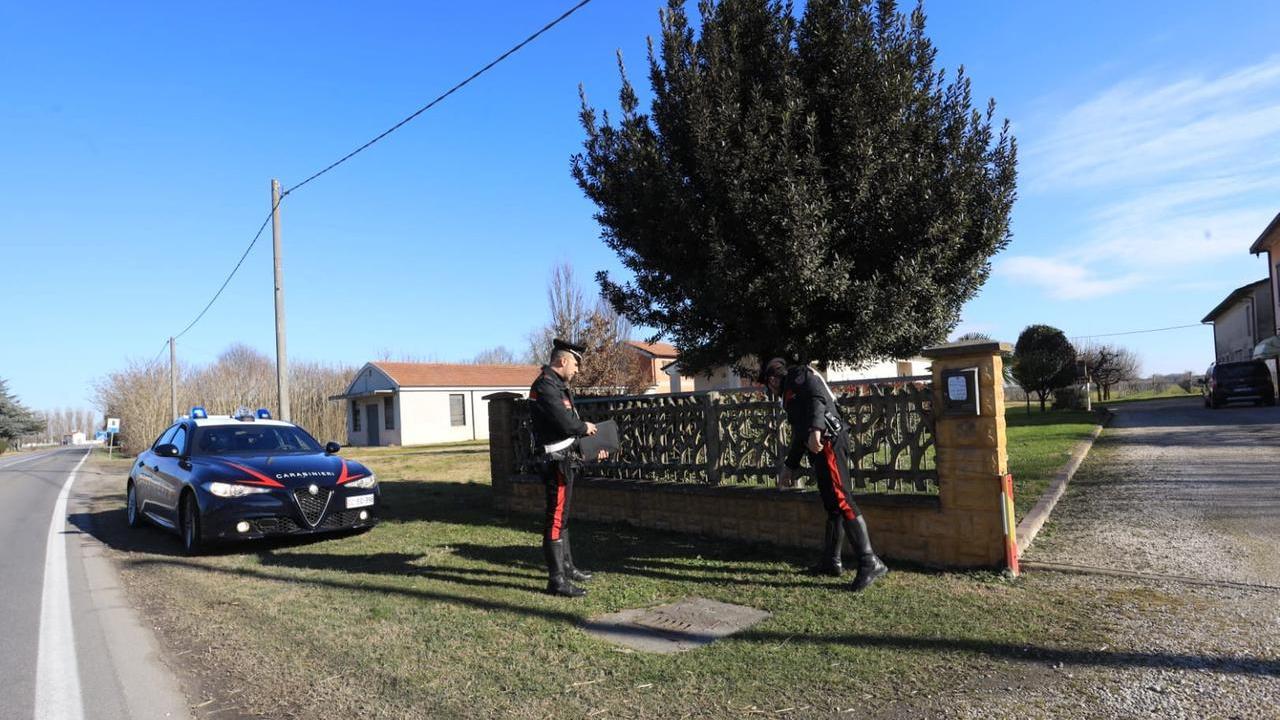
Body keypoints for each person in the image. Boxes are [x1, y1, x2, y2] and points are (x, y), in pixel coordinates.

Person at [761, 357, 888, 592]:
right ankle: (831, 561)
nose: (770, 391)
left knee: (842, 500)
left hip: (829, 442)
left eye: (767, 386)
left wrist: (817, 430)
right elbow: (800, 432)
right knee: (831, 504)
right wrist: (790, 465)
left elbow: (818, 398)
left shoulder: (798, 376)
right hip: (819, 445)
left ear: (771, 380)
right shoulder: (791, 395)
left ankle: (870, 562)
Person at [528, 338, 606, 597]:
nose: (577, 370)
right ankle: (556, 580)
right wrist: (586, 427)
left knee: (563, 516)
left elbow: (569, 427)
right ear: (562, 361)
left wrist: (594, 446)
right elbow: (567, 424)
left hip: (566, 459)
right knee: (555, 518)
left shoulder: (557, 386)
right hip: (554, 463)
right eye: (575, 363)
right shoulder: (545, 386)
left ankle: (568, 567)